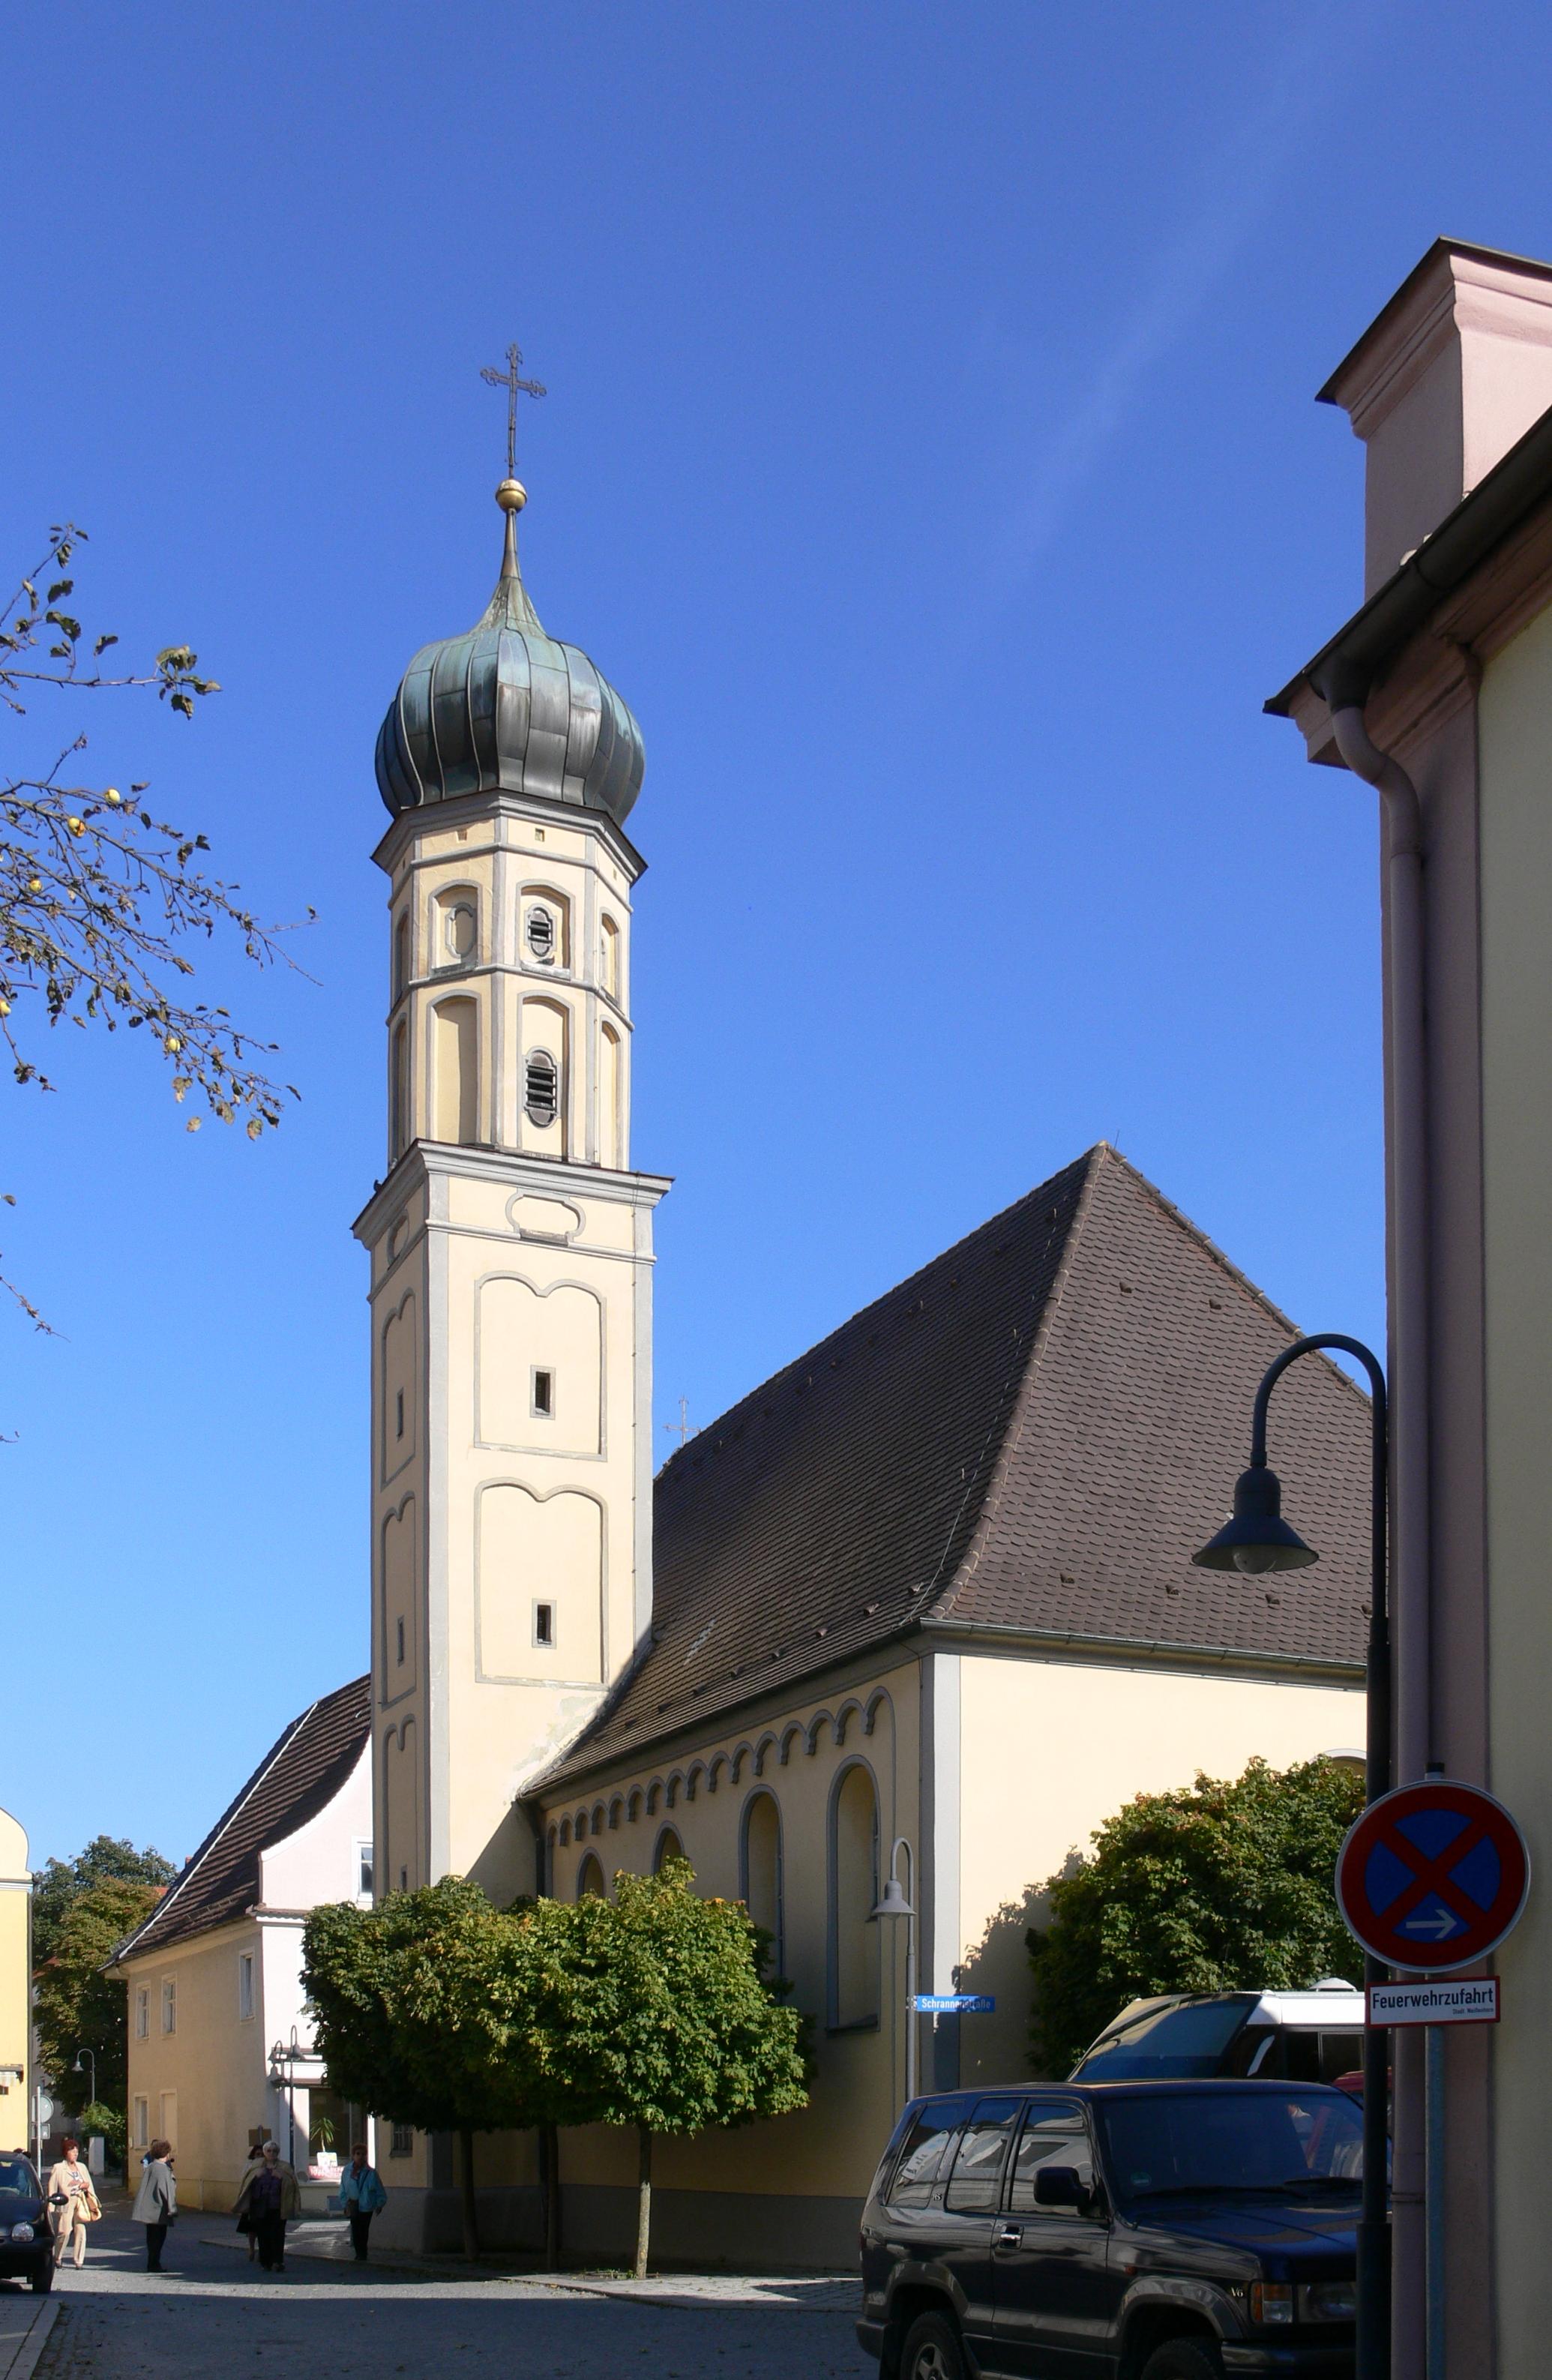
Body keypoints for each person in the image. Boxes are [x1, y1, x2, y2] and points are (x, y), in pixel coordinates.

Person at [232, 2139, 300, 2273]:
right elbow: (246, 2183)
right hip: (260, 2205)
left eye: (275, 2151)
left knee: (278, 2234)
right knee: (263, 2234)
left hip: (278, 2206)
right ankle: (265, 2262)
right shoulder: (256, 2166)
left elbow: (293, 2185)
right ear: (264, 2152)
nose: (272, 2153)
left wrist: (282, 2178)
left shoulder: (285, 2167)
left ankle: (277, 2261)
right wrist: (256, 2177)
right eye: (269, 2151)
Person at [46, 2136, 101, 2270]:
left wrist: (86, 2187)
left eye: (77, 2152)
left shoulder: (81, 2167)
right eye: (72, 2151)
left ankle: (79, 2260)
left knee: (81, 2230)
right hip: (66, 2201)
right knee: (64, 2231)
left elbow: (89, 2184)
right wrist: (51, 2205)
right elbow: (52, 2187)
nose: (75, 2154)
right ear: (66, 2153)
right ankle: (58, 2257)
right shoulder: (59, 2168)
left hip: (81, 2200)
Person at [131, 2140, 177, 2272]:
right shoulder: (162, 2168)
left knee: (151, 2238)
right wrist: (172, 2208)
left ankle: (152, 2263)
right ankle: (154, 2264)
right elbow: (166, 2189)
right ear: (166, 2153)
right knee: (159, 2238)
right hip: (159, 2209)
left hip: (148, 2209)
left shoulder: (151, 2166)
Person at [338, 2142, 388, 2262]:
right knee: (355, 2229)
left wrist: (380, 2204)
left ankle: (363, 2253)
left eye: (363, 2154)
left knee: (364, 2230)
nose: (360, 2156)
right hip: (353, 2204)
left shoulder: (371, 2173)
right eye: (358, 2154)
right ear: (353, 2155)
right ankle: (358, 2252)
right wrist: (345, 2203)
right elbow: (343, 2188)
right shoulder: (347, 2171)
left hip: (366, 2205)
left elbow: (379, 2189)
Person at [236, 2140, 266, 2260]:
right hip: (252, 2200)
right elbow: (244, 2180)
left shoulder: (268, 2166)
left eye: (261, 2154)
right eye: (257, 2154)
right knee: (251, 2228)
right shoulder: (249, 2166)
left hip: (264, 2200)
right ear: (253, 2155)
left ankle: (262, 2250)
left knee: (262, 2228)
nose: (259, 2156)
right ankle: (252, 2249)